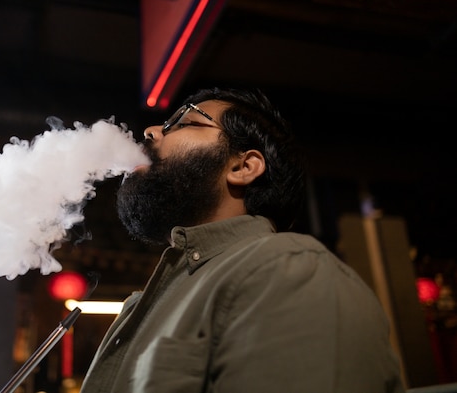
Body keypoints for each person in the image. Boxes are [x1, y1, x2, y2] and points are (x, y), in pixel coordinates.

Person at [78, 87, 405, 393]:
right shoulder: (147, 304)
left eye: (185, 122)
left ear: (243, 166)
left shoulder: (287, 271)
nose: (150, 131)